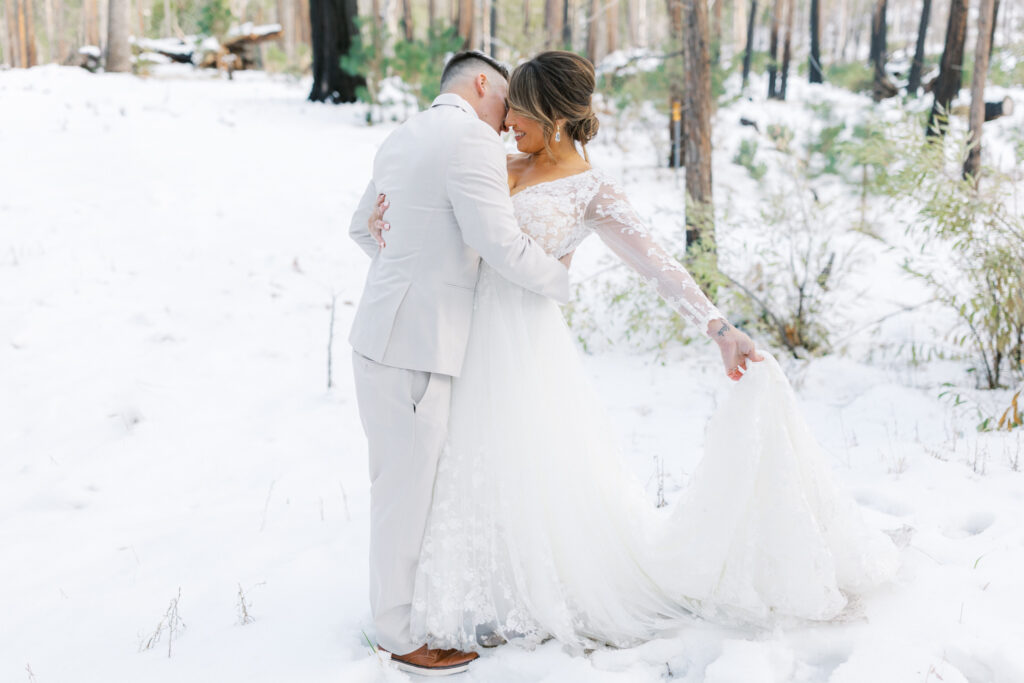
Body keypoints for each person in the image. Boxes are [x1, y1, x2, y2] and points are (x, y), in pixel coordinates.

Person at [366, 51, 899, 655]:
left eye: (519, 109)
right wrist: (385, 226)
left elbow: (656, 263)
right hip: (457, 336)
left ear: (554, 115)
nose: (507, 118)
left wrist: (719, 326)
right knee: (455, 467)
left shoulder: (590, 189)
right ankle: (463, 589)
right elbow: (440, 220)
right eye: (507, 104)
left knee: (522, 462)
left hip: (524, 343)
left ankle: (531, 587)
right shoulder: (492, 160)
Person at [346, 51, 575, 676]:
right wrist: (564, 282)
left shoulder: (405, 133)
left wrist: (411, 265)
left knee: (397, 484)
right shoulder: (471, 138)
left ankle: (404, 613)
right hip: (416, 345)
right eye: (507, 99)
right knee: (404, 492)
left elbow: (363, 230)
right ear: (482, 84)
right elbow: (497, 242)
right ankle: (399, 635)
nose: (510, 119)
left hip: (380, 336)